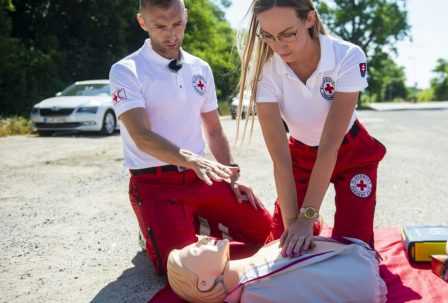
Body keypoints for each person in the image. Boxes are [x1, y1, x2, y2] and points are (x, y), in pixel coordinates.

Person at [108, 0, 272, 275]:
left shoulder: (200, 68)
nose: (171, 34)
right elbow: (141, 135)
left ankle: (195, 223)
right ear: (142, 22)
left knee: (267, 233)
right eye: (160, 26)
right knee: (182, 270)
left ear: (186, 16)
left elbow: (214, 129)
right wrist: (192, 159)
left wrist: (232, 175)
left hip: (200, 177)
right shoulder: (126, 70)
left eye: (178, 24)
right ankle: (158, 229)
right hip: (156, 183)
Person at [237, 0, 386, 258]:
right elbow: (281, 160)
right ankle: (311, 224)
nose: (278, 46)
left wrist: (306, 216)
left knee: (353, 250)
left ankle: (315, 220)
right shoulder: (265, 71)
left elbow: (330, 145)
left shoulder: (348, 56)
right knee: (285, 246)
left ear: (309, 20)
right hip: (301, 155)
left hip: (350, 153)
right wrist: (294, 222)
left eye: (288, 34)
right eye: (268, 36)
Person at [167, 236, 387, 303]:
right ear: (204, 283)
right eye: (195, 249)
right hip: (360, 275)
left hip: (358, 262)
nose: (201, 238)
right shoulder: (254, 293)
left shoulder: (253, 267)